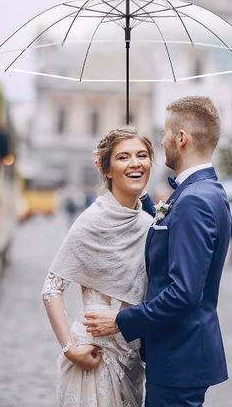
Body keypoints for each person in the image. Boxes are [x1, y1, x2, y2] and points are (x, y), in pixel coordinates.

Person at [84, 96, 232, 406]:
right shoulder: (203, 192)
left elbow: (183, 294)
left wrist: (121, 321)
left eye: (164, 133)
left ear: (181, 138)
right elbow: (170, 227)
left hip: (179, 357)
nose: (161, 141)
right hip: (181, 355)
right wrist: (138, 194)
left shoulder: (194, 200)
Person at [41, 127, 155, 406]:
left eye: (142, 155)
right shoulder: (92, 221)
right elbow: (51, 289)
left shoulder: (149, 223)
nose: (135, 163)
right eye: (123, 157)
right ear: (106, 168)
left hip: (132, 358)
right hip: (96, 358)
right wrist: (70, 348)